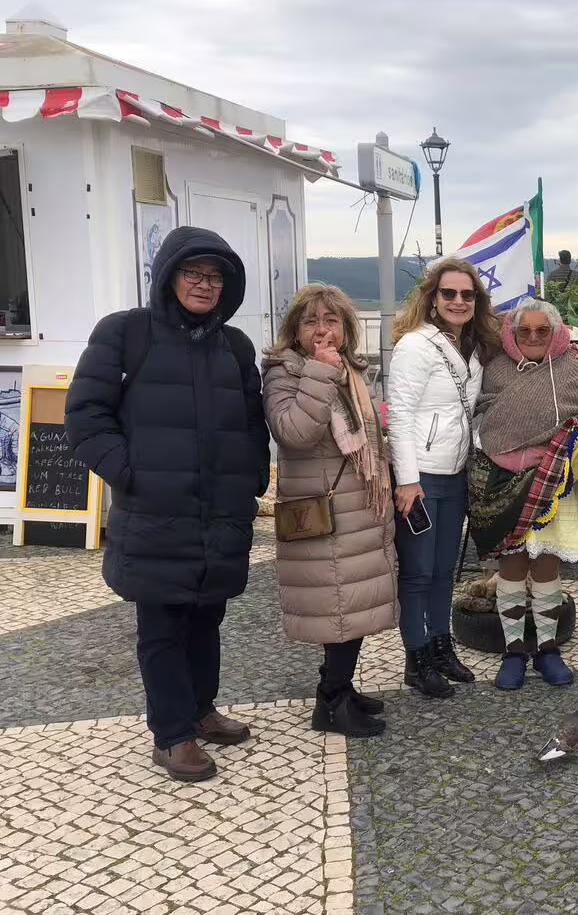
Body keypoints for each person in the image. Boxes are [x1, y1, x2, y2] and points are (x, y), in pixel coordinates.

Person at [65, 226, 270, 782]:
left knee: (207, 618)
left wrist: (252, 479)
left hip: (221, 513)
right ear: (169, 276)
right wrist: (134, 476)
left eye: (215, 276)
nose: (205, 285)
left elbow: (253, 422)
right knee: (162, 625)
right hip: (155, 513)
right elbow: (84, 418)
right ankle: (172, 734)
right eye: (193, 273)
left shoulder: (236, 345)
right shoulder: (125, 333)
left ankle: (201, 711)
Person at [262, 283, 397, 737]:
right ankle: (331, 702)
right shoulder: (285, 372)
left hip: (358, 507)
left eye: (331, 320)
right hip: (322, 512)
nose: (322, 329)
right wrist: (319, 373)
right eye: (311, 321)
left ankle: (339, 688)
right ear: (295, 330)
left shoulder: (351, 371)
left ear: (346, 327)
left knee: (352, 605)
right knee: (337, 605)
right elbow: (294, 433)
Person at [470, 299, 578, 690]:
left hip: (556, 480)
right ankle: (514, 652)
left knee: (548, 568)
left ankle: (548, 649)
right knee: (512, 566)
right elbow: (482, 410)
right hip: (503, 478)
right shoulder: (495, 367)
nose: (533, 337)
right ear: (511, 332)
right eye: (524, 331)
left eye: (542, 331)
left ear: (556, 332)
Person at [387, 257, 496, 699]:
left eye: (467, 294)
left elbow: (530, 340)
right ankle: (416, 658)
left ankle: (441, 645)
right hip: (423, 476)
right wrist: (407, 480)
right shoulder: (415, 346)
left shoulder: (472, 346)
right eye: (449, 293)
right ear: (432, 299)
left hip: (455, 474)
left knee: (444, 572)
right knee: (417, 573)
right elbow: (400, 417)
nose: (457, 300)